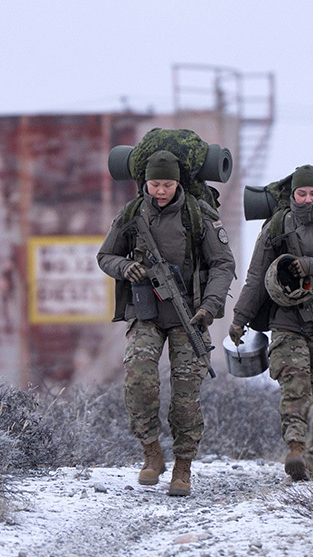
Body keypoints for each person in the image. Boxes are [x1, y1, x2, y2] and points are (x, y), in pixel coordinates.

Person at [97, 150, 235, 497]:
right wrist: (123, 268)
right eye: (155, 184)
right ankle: (151, 452)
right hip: (146, 312)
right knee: (138, 380)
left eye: (168, 184)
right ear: (145, 183)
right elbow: (105, 255)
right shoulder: (131, 213)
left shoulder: (198, 214)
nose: (161, 191)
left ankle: (183, 468)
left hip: (190, 315)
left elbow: (223, 264)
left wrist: (210, 306)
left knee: (186, 399)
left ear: (179, 183)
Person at [229, 164, 313, 481]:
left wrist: (310, 265)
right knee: (294, 380)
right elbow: (256, 276)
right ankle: (296, 447)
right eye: (301, 194)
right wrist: (239, 319)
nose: (307, 199)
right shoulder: (277, 225)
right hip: (287, 319)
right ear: (292, 196)